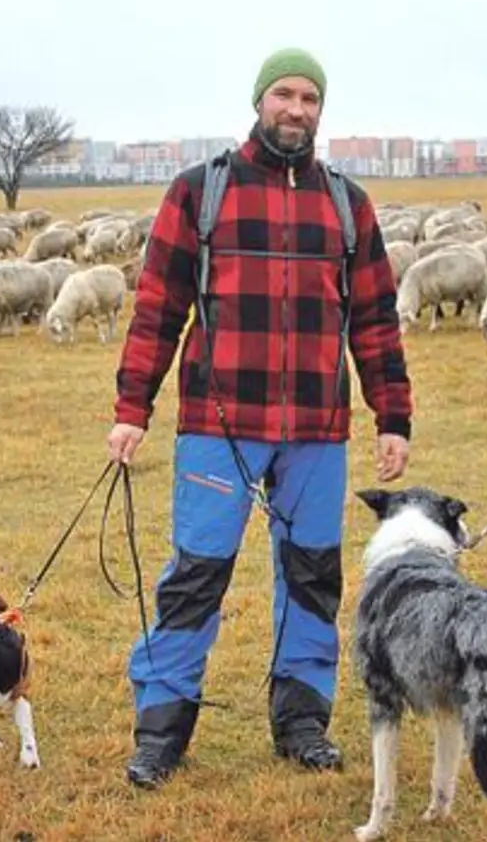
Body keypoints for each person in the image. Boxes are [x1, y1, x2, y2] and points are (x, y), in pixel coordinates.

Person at [105, 47, 414, 789]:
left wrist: (391, 416)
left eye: (310, 98)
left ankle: (302, 720)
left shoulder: (347, 204)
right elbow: (158, 309)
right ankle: (163, 727)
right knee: (196, 576)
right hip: (219, 425)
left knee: (312, 578)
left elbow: (374, 319)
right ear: (259, 101)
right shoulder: (200, 193)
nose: (296, 110)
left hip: (316, 429)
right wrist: (132, 408)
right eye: (284, 95)